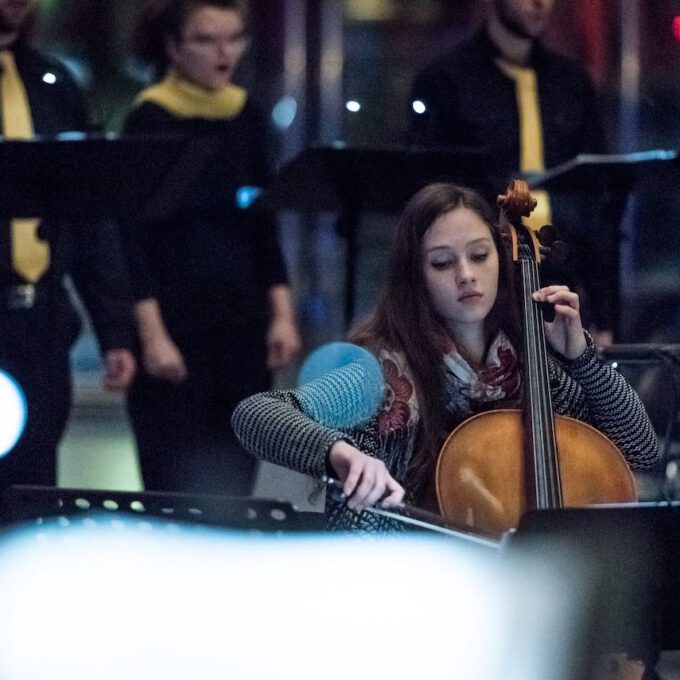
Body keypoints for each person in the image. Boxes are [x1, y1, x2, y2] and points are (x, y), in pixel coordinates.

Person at [232, 183, 659, 533]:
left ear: (501, 258)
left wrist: (580, 357)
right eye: (442, 263)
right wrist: (342, 454)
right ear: (416, 276)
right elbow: (256, 414)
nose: (466, 275)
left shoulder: (534, 363)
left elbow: (640, 449)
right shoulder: (380, 374)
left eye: (479, 255)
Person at [121, 0, 301, 496]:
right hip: (175, 323)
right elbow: (131, 239)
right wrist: (152, 334)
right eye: (205, 40)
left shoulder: (246, 114)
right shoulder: (149, 119)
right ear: (174, 48)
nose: (224, 53)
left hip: (241, 323)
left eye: (234, 37)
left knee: (236, 486)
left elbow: (264, 223)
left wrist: (282, 315)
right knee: (173, 486)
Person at [408, 0, 617, 347]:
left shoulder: (572, 84)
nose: (541, 4)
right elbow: (431, 204)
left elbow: (596, 205)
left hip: (562, 273)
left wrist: (602, 312)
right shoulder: (444, 81)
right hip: (484, 278)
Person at [0, 0, 136, 488]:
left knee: (34, 486)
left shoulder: (54, 82)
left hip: (42, 322)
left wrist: (114, 330)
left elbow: (90, 215)